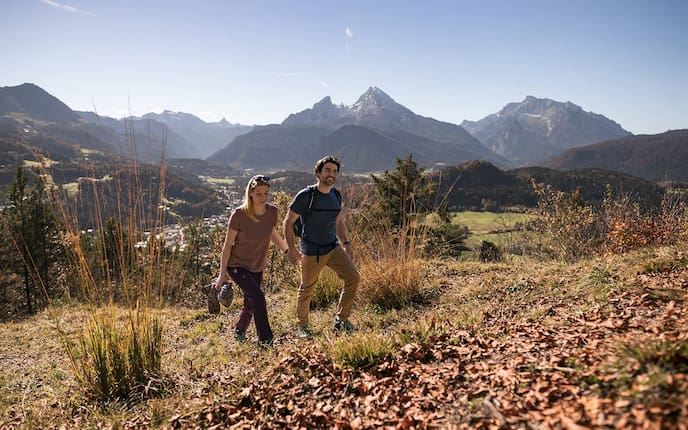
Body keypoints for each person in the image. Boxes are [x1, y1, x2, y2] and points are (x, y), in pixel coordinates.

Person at [284, 155, 360, 338]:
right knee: (306, 289)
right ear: (318, 173)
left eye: (335, 171)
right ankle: (302, 326)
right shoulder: (306, 196)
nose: (331, 174)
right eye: (327, 170)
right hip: (312, 252)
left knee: (353, 278)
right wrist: (292, 249)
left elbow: (338, 220)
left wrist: (346, 243)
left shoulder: (335, 195)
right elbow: (288, 221)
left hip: (333, 248)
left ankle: (341, 320)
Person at [213, 174, 288, 346]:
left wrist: (287, 250)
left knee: (250, 302)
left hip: (257, 265)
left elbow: (272, 234)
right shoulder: (239, 215)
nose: (263, 197)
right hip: (237, 265)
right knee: (258, 298)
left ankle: (240, 330)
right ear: (251, 193)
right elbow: (227, 246)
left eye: (266, 193)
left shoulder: (272, 212)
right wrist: (222, 274)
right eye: (258, 193)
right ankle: (266, 339)